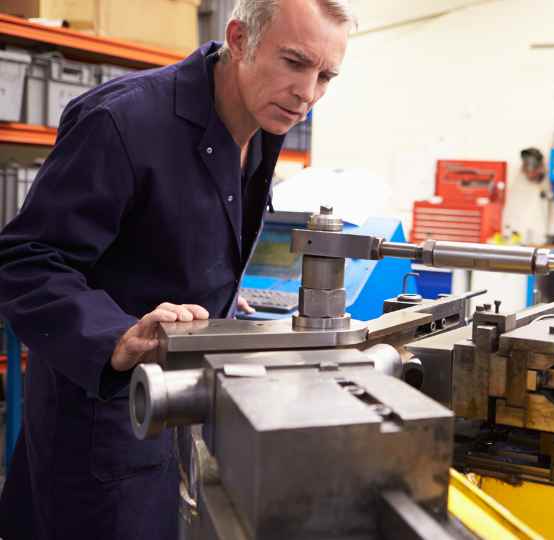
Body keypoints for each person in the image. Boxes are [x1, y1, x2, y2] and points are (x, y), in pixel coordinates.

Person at [0, 1, 352, 538]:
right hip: (103, 419)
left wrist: (219, 290)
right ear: (239, 39)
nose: (308, 93)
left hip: (181, 408)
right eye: (295, 62)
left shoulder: (262, 121)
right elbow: (25, 259)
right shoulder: (122, 121)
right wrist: (115, 336)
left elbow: (177, 230)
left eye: (325, 76)